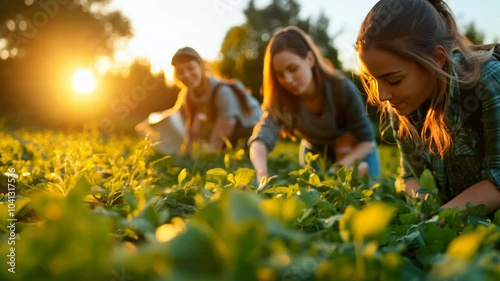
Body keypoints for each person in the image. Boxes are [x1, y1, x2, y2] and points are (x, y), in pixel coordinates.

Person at [355, 0, 500, 214]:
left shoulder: (487, 80)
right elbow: (411, 175)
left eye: (394, 80)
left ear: (437, 59)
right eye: (374, 80)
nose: (382, 95)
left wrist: (438, 219)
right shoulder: (400, 106)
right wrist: (423, 211)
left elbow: (498, 177)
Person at [248, 26, 381, 183]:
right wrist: (261, 173)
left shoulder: (341, 88)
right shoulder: (282, 99)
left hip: (354, 151)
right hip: (315, 153)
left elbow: (366, 142)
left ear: (310, 59)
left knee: (363, 185)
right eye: (280, 75)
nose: (288, 80)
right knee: (316, 193)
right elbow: (261, 139)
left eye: (293, 69)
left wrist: (337, 168)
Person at [171, 47, 262, 153]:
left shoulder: (222, 91)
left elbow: (225, 127)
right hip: (230, 131)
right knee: (199, 122)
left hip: (252, 130)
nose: (186, 75)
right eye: (180, 71)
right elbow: (179, 119)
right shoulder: (188, 94)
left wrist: (210, 155)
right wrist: (185, 153)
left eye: (190, 68)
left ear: (201, 67)